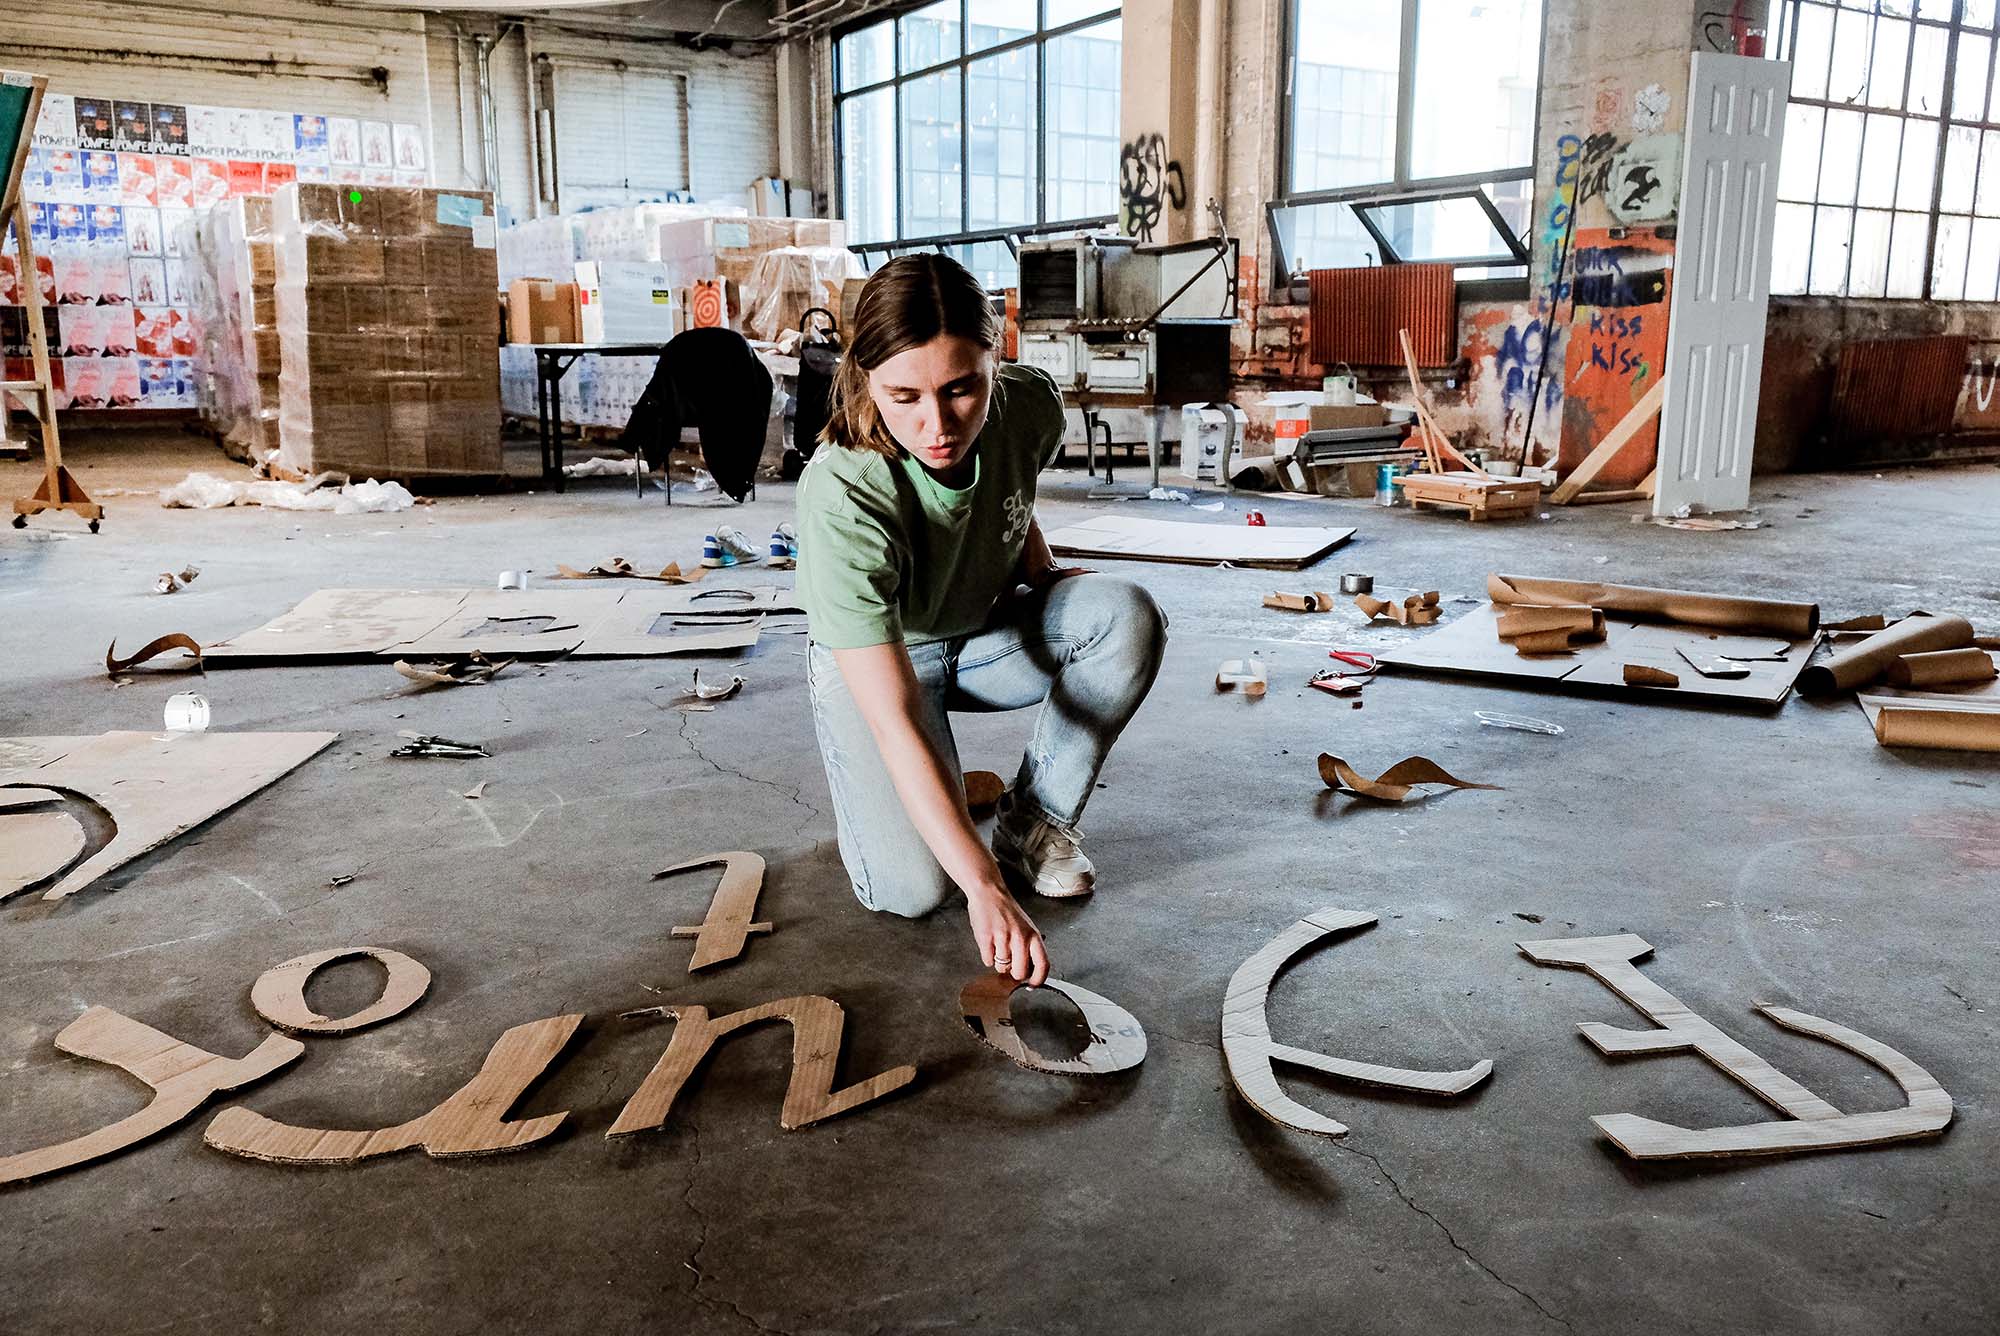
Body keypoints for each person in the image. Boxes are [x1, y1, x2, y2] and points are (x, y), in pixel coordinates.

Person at [796, 254, 1168, 989]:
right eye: (903, 396)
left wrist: (1040, 567)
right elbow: (897, 717)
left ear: (998, 360)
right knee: (915, 892)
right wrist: (983, 888)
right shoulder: (841, 491)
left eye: (961, 389)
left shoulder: (1030, 404)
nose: (936, 426)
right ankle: (882, 822)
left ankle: (1032, 825)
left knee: (1124, 614)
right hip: (883, 665)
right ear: (865, 375)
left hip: (980, 636)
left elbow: (1011, 484)